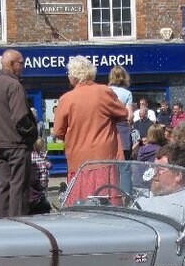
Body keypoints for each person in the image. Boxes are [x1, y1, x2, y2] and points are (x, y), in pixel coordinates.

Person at [53, 55, 129, 184]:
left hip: (78, 159)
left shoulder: (66, 99)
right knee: (106, 196)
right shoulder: (104, 92)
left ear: (73, 76)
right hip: (104, 157)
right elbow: (123, 113)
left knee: (81, 199)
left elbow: (58, 132)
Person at [0, 48, 36, 217]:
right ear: (12, 65)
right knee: (18, 186)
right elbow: (20, 118)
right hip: (17, 144)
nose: (23, 66)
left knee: (4, 185)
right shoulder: (14, 86)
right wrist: (31, 133)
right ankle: (17, 225)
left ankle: (2, 222)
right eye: (21, 63)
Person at [135, 141, 185, 222]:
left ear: (178, 175)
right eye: (153, 167)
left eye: (160, 169)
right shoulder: (144, 196)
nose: (154, 173)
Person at [107, 65, 134, 159]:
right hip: (123, 132)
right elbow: (130, 116)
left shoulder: (105, 91)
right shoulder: (127, 93)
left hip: (107, 131)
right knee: (124, 166)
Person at [29, 137, 52, 215]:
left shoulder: (31, 155)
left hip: (35, 179)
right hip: (44, 179)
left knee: (37, 192)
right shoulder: (43, 155)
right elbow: (49, 166)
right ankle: (43, 202)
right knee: (44, 193)